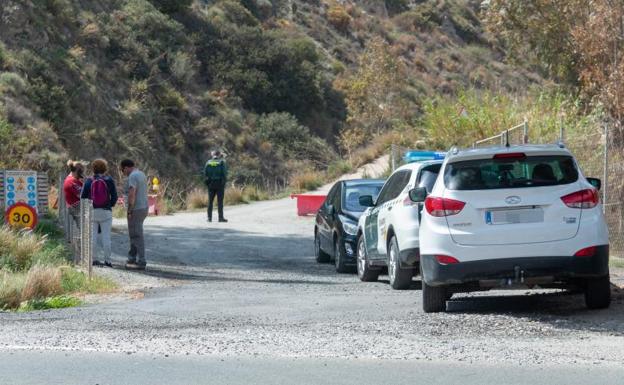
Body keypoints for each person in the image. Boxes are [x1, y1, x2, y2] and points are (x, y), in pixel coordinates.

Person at [81, 159, 118, 267]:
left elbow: (83, 197)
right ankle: (108, 260)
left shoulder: (89, 181)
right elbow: (114, 197)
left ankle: (94, 259)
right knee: (106, 237)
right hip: (106, 212)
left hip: (92, 211)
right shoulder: (109, 180)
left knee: (93, 237)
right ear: (105, 168)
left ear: (93, 168)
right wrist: (109, 205)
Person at [120, 159, 149, 270]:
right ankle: (132, 257)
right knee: (134, 234)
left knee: (137, 235)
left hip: (136, 208)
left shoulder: (132, 176)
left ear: (126, 167)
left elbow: (132, 193)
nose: (123, 173)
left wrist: (130, 210)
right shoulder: (141, 173)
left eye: (123, 170)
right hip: (144, 207)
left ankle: (141, 261)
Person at [204, 150, 228, 223]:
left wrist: (207, 183)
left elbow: (205, 173)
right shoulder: (221, 162)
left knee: (210, 202)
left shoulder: (208, 162)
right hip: (219, 184)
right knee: (220, 202)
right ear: (218, 155)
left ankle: (209, 218)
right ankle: (220, 218)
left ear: (213, 155)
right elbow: (224, 173)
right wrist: (223, 183)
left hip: (211, 184)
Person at [63, 160, 85, 229]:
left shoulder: (74, 180)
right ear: (77, 171)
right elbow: (82, 195)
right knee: (82, 231)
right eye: (81, 171)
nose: (82, 173)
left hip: (77, 208)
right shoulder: (71, 181)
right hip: (76, 209)